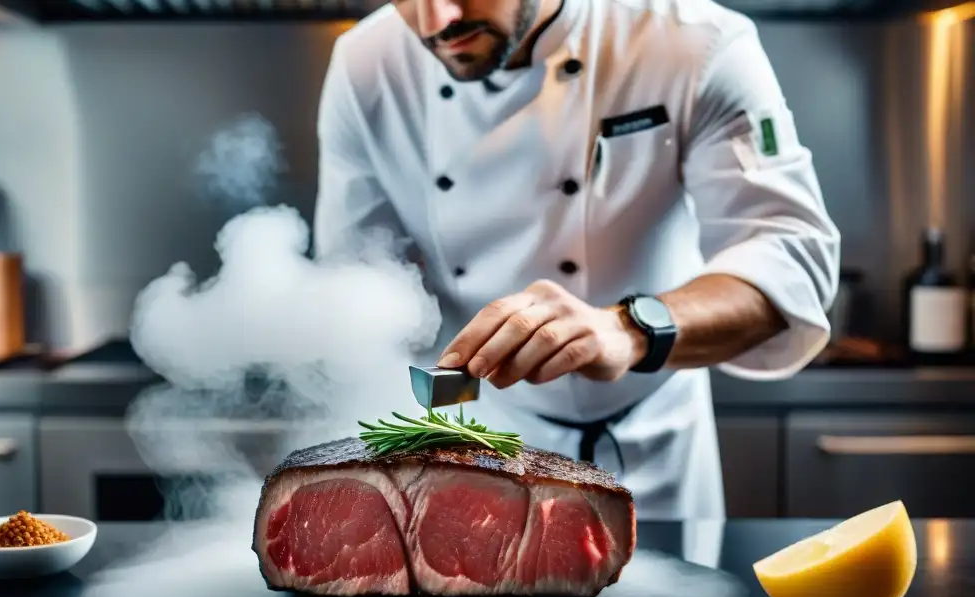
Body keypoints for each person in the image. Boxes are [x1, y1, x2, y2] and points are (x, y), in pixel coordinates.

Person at [313, 0, 841, 519]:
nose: (438, 21)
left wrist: (629, 330)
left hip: (651, 450)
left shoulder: (692, 41)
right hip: (475, 451)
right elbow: (356, 293)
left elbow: (791, 255)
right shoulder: (367, 64)